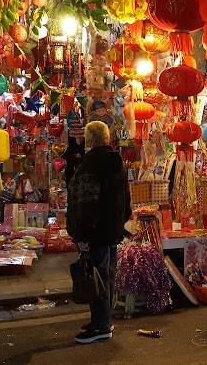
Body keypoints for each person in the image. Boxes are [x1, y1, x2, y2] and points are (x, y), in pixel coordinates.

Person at [66, 121, 131, 344]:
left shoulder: (89, 166)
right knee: (107, 278)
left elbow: (86, 205)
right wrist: (118, 224)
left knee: (98, 278)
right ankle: (102, 320)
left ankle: (101, 326)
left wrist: (82, 234)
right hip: (112, 231)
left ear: (89, 139)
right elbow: (127, 203)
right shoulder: (118, 164)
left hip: (95, 233)